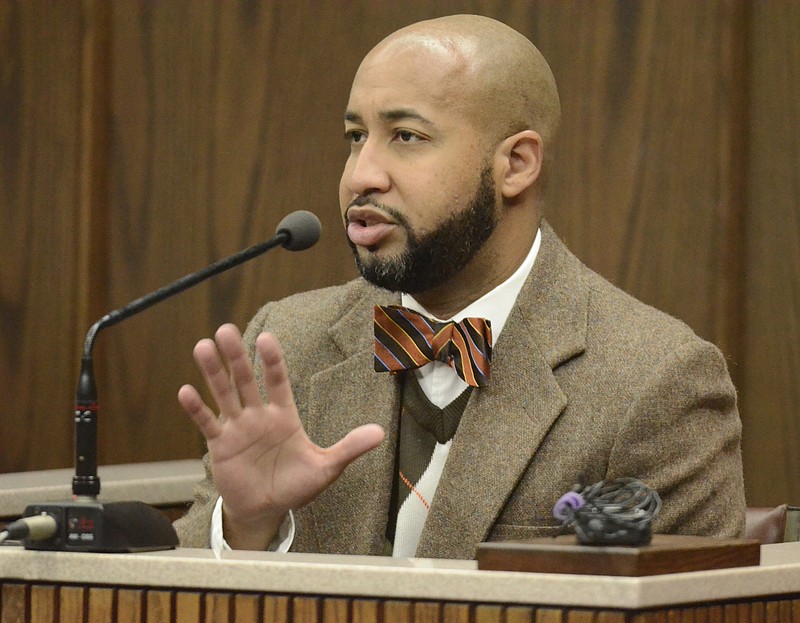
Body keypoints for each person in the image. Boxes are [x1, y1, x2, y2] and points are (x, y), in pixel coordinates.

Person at [174, 14, 746, 560]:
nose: (360, 176)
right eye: (355, 136)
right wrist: (250, 524)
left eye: (406, 135)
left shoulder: (655, 382)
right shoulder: (287, 345)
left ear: (516, 164)